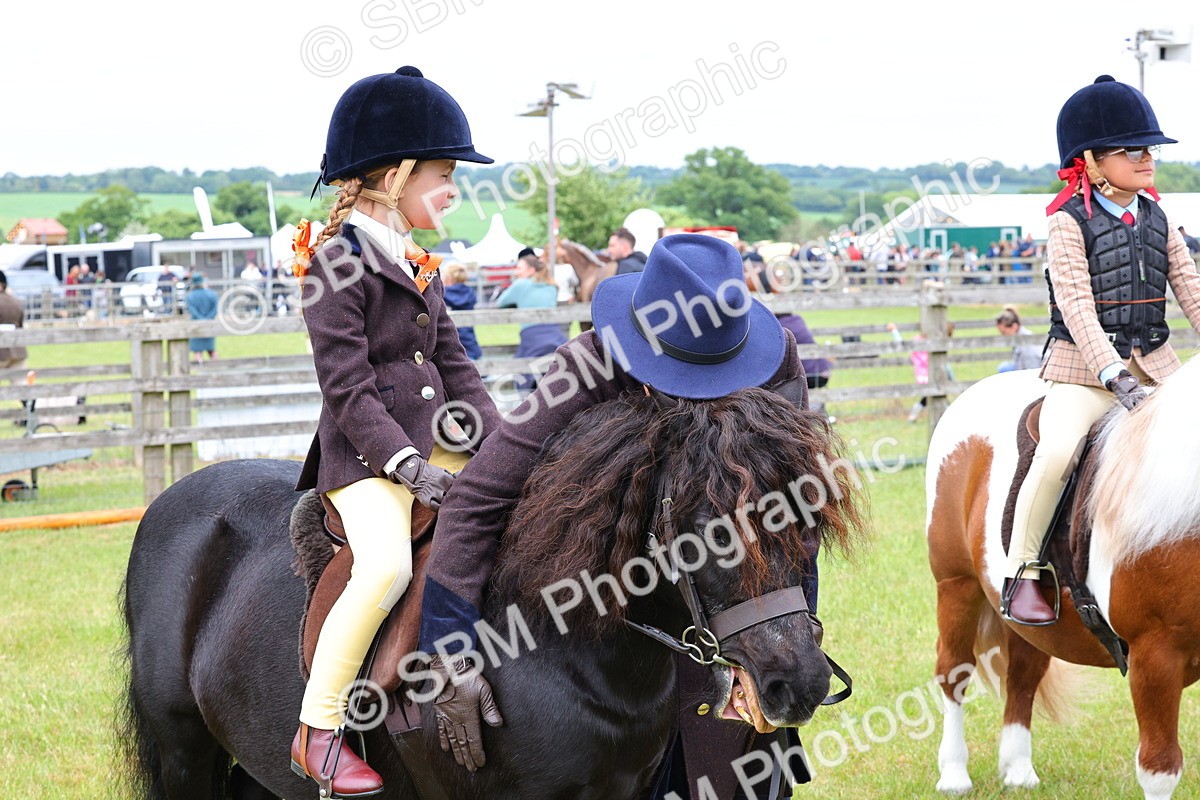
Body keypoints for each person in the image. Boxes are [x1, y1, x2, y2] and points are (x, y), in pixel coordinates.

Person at [420, 234, 817, 800]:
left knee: (741, 760)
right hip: (611, 585)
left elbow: (792, 508)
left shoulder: (777, 359)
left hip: (737, 566)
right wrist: (450, 650)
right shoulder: (586, 364)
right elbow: (478, 495)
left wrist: (781, 638)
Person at [288, 65, 503, 798]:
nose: (453, 191)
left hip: (437, 442)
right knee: (387, 568)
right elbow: (346, 389)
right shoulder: (333, 265)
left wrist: (505, 445)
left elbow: (456, 367)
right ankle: (318, 731)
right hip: (366, 460)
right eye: (445, 175)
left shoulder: (417, 263)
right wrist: (409, 466)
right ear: (397, 173)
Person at [1002, 75, 1200, 625]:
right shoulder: (1067, 224)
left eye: (1149, 149)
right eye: (1131, 150)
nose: (1146, 159)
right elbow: (1076, 305)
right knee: (1058, 452)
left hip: (1157, 368)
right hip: (1085, 373)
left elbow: (1191, 290)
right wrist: (1114, 374)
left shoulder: (1159, 218)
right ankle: (1024, 569)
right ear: (1089, 161)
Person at [495, 252, 566, 395]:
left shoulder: (521, 284)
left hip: (533, 335)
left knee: (521, 367)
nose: (516, 272)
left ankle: (525, 398)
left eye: (519, 268)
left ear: (531, 270)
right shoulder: (551, 285)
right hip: (555, 334)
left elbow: (501, 302)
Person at [888, 321, 955, 422]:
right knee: (935, 396)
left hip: (923, 376)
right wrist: (951, 376)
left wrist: (894, 331)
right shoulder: (936, 344)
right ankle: (949, 414)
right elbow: (945, 365)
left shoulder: (918, 341)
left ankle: (914, 416)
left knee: (930, 397)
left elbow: (902, 344)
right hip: (933, 376)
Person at [442, 262, 482, 360]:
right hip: (469, 339)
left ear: (449, 278)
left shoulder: (443, 293)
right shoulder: (470, 292)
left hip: (451, 340)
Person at [0, 270, 29, 382]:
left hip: (1, 353)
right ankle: (28, 399)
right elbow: (21, 326)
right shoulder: (17, 302)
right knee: (22, 387)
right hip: (18, 352)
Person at [994, 305, 1042, 372]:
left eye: (1004, 332)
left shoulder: (1026, 343)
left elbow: (1032, 370)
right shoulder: (1020, 338)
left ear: (1014, 326)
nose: (1003, 335)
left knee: (1004, 369)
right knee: (1004, 367)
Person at [184, 274, 219, 364]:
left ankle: (199, 371)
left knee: (197, 351)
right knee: (212, 350)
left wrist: (200, 320)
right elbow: (214, 310)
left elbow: (193, 312)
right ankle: (218, 368)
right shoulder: (212, 294)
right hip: (209, 325)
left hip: (196, 326)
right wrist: (207, 320)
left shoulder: (190, 296)